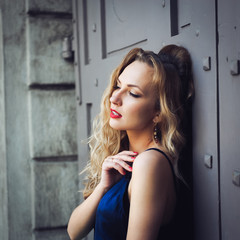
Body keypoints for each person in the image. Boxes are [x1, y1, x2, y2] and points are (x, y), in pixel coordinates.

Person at [67, 44, 194, 240]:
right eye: (117, 86)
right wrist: (104, 186)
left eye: (133, 93)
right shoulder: (127, 158)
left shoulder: (150, 162)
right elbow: (74, 232)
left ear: (158, 113)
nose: (114, 98)